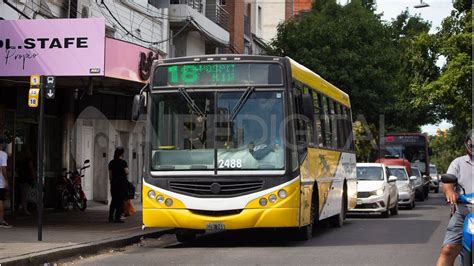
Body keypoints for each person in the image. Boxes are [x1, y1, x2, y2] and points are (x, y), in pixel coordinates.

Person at [436, 130, 473, 266]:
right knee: (448, 250)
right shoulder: (458, 163)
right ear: (467, 145)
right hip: (464, 213)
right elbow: (447, 183)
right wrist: (450, 191)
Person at [108, 147, 129, 223]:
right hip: (121, 184)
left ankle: (110, 217)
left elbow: (110, 175)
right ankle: (117, 217)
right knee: (120, 201)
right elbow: (127, 172)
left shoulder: (111, 162)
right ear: (121, 154)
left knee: (113, 200)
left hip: (114, 183)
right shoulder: (123, 162)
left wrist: (111, 182)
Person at [16, 149, 35, 215]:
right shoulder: (28, 160)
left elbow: (17, 170)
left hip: (21, 179)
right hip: (27, 180)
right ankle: (25, 209)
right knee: (26, 195)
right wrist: (34, 178)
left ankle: (22, 208)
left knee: (22, 194)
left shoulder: (19, 161)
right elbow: (31, 169)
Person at [0, 138, 12, 228]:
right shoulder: (3, 154)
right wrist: (6, 180)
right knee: (0, 201)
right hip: (0, 182)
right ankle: (1, 220)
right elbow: (3, 169)